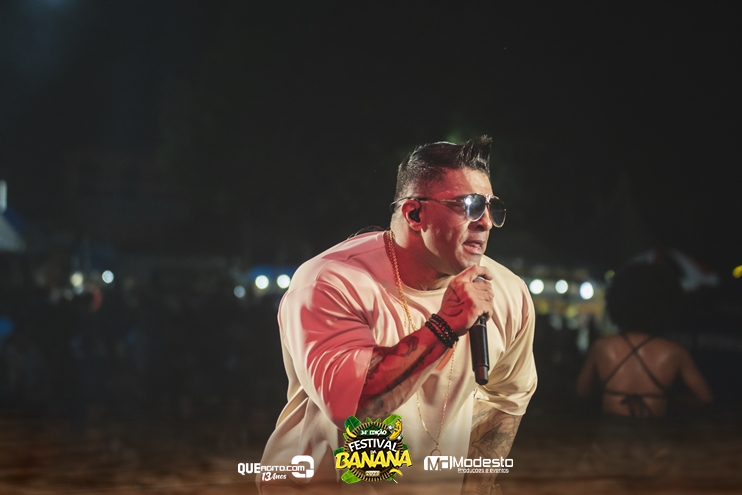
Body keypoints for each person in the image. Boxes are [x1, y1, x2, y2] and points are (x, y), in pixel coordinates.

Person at [258, 136, 537, 494]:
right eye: (469, 206)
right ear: (414, 214)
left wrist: (477, 485)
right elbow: (357, 409)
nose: (485, 222)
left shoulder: (507, 292)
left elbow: (506, 399)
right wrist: (446, 324)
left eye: (491, 208)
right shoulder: (330, 281)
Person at [576, 262, 713, 476]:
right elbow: (704, 398)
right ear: (666, 305)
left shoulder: (603, 347)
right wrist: (671, 400)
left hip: (610, 438)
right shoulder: (674, 351)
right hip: (654, 437)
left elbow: (582, 392)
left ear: (618, 302)